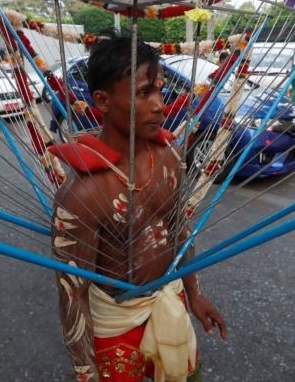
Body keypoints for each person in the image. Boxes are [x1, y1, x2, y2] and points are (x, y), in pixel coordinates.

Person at [48, 36, 226, 382]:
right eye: (144, 93)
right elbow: (73, 294)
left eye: (159, 90)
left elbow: (179, 230)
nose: (159, 106)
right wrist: (86, 371)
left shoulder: (169, 158)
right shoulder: (83, 193)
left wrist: (194, 294)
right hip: (115, 323)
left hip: (170, 301)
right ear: (102, 100)